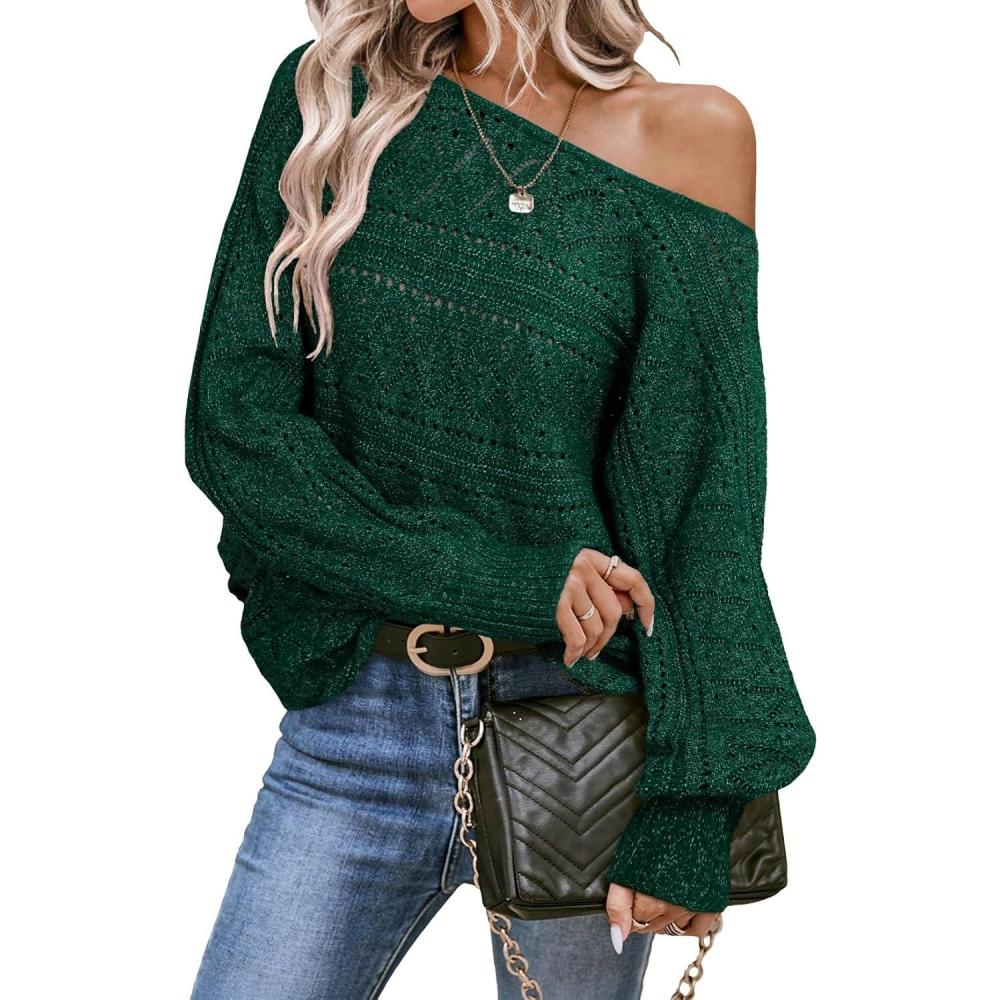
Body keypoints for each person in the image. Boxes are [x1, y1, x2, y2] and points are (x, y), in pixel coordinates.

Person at [184, 1, 817, 997]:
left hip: (584, 743)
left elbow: (705, 511)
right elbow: (236, 428)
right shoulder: (335, 101)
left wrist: (692, 808)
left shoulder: (692, 138)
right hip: (355, 726)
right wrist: (507, 579)